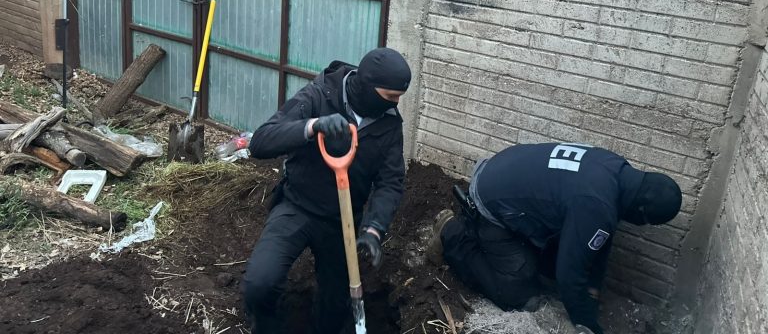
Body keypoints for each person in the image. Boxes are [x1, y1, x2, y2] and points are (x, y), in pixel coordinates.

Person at [426, 142, 682, 334]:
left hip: (505, 174)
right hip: (491, 202)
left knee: (549, 268)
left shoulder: (616, 171)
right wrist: (586, 322)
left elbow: (598, 245)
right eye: (647, 221)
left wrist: (592, 290)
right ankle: (452, 232)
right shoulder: (597, 205)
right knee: (520, 297)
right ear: (641, 211)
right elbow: (569, 274)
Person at [241, 47, 411, 334]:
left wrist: (373, 229)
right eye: (390, 96)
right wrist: (311, 126)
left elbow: (390, 181)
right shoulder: (319, 95)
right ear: (367, 87)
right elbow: (260, 141)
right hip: (296, 206)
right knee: (260, 284)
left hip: (341, 222)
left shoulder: (389, 124)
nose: (394, 104)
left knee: (336, 304)